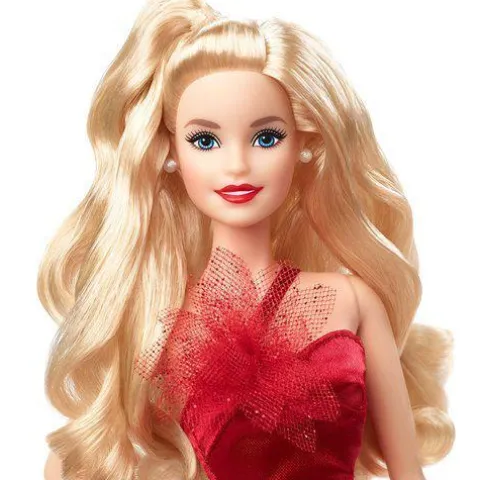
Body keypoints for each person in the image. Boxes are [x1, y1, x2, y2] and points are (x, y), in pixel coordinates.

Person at [40, 0, 455, 478]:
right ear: (169, 153)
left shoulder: (351, 300)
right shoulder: (158, 316)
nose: (236, 165)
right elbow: (82, 454)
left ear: (304, 144)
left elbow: (408, 471)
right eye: (205, 141)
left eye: (266, 138)